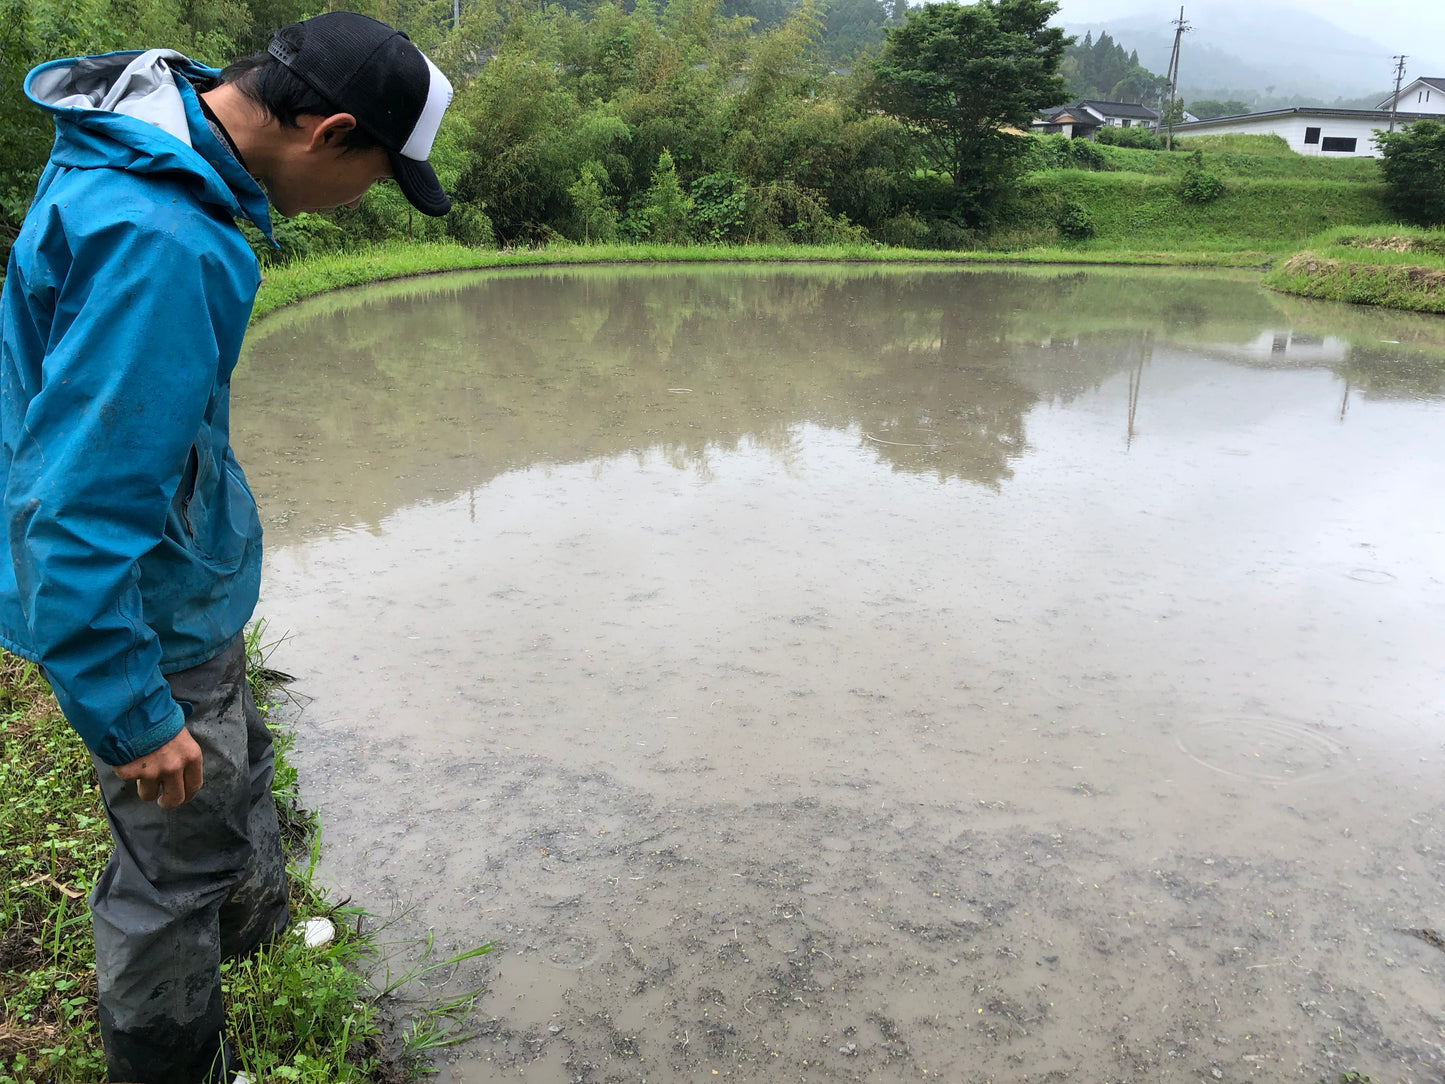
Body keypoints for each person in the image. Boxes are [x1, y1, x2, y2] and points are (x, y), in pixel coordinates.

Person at [0, 13, 454, 1083]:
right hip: (146, 625)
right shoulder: (166, 242)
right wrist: (131, 709)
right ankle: (169, 1064)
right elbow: (76, 507)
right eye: (378, 177)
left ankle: (249, 933)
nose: (365, 200)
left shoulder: (147, 142)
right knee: (167, 882)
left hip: (177, 587)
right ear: (328, 131)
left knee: (229, 798)